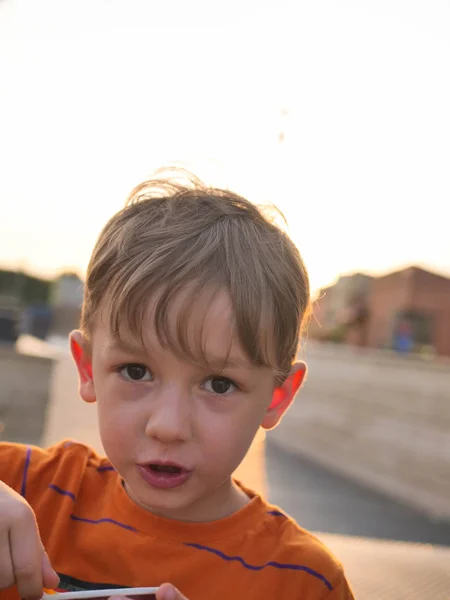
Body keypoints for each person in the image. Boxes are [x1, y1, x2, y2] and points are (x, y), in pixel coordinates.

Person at [0, 170, 354, 600]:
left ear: (278, 396)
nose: (168, 426)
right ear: (88, 368)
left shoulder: (303, 582)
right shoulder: (27, 489)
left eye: (219, 384)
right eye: (135, 371)